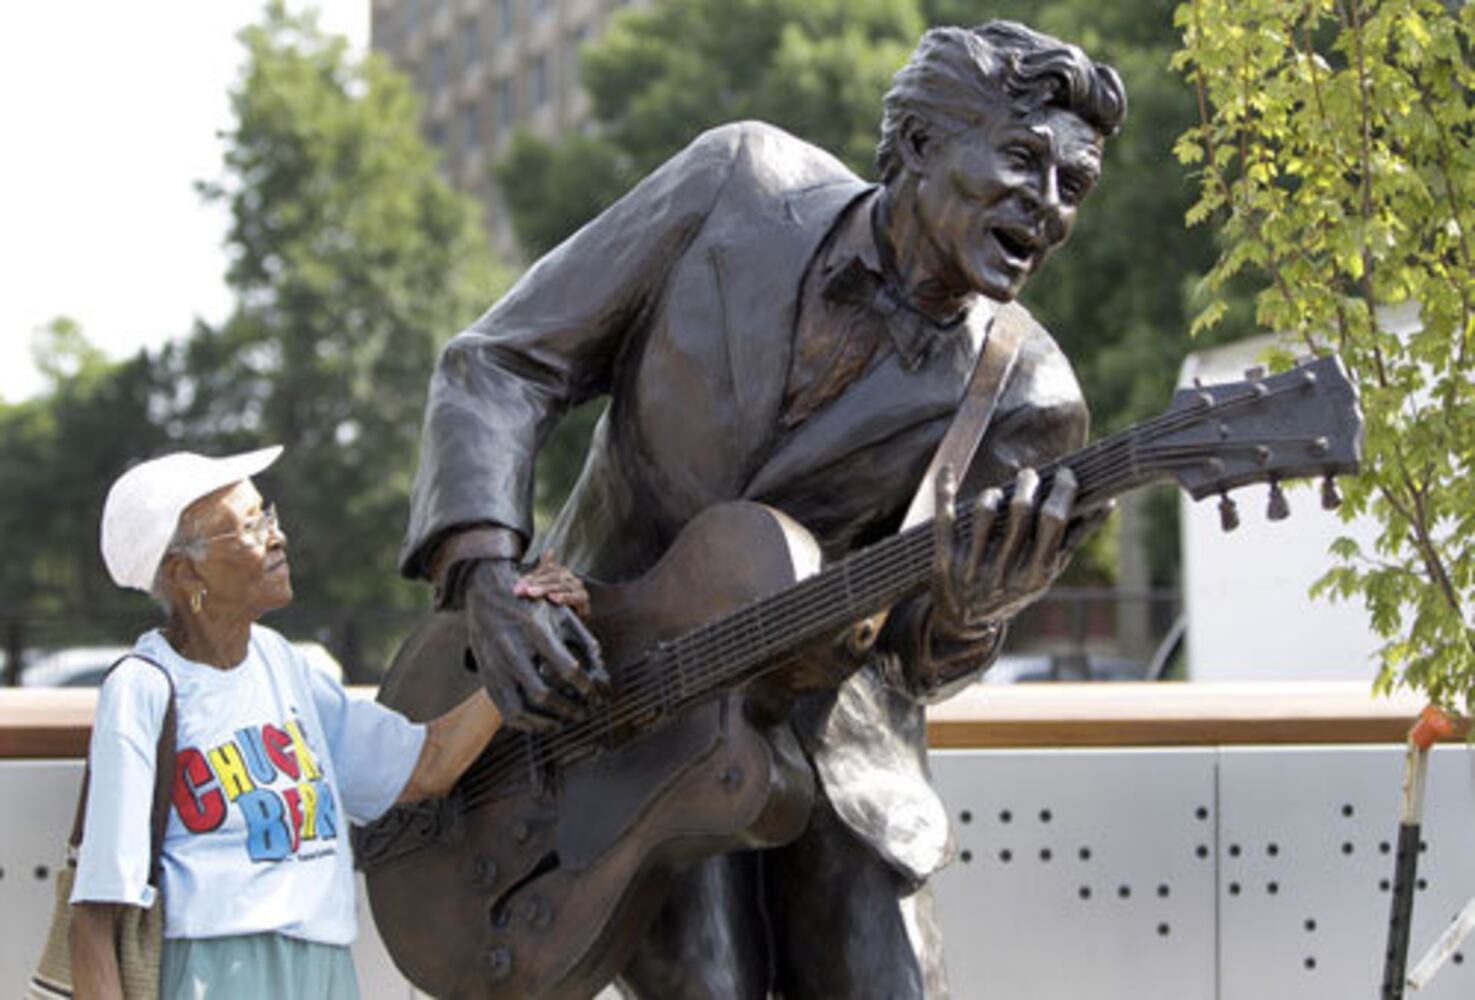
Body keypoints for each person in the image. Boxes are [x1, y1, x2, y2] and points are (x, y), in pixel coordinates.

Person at [401, 20, 1125, 998]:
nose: (1047, 206)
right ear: (919, 143)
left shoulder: (1029, 398)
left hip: (830, 746)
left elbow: (915, 654)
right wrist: (488, 580)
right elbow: (500, 364)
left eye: (1072, 184)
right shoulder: (733, 186)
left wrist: (972, 611)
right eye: (1021, 161)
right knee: (707, 981)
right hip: (608, 698)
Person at [69, 445, 582, 999]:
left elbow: (427, 763)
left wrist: (531, 643)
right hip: (212, 975)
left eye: (268, 514)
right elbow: (96, 917)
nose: (277, 536)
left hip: (322, 970)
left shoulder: (282, 663)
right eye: (250, 526)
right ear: (183, 571)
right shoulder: (143, 689)